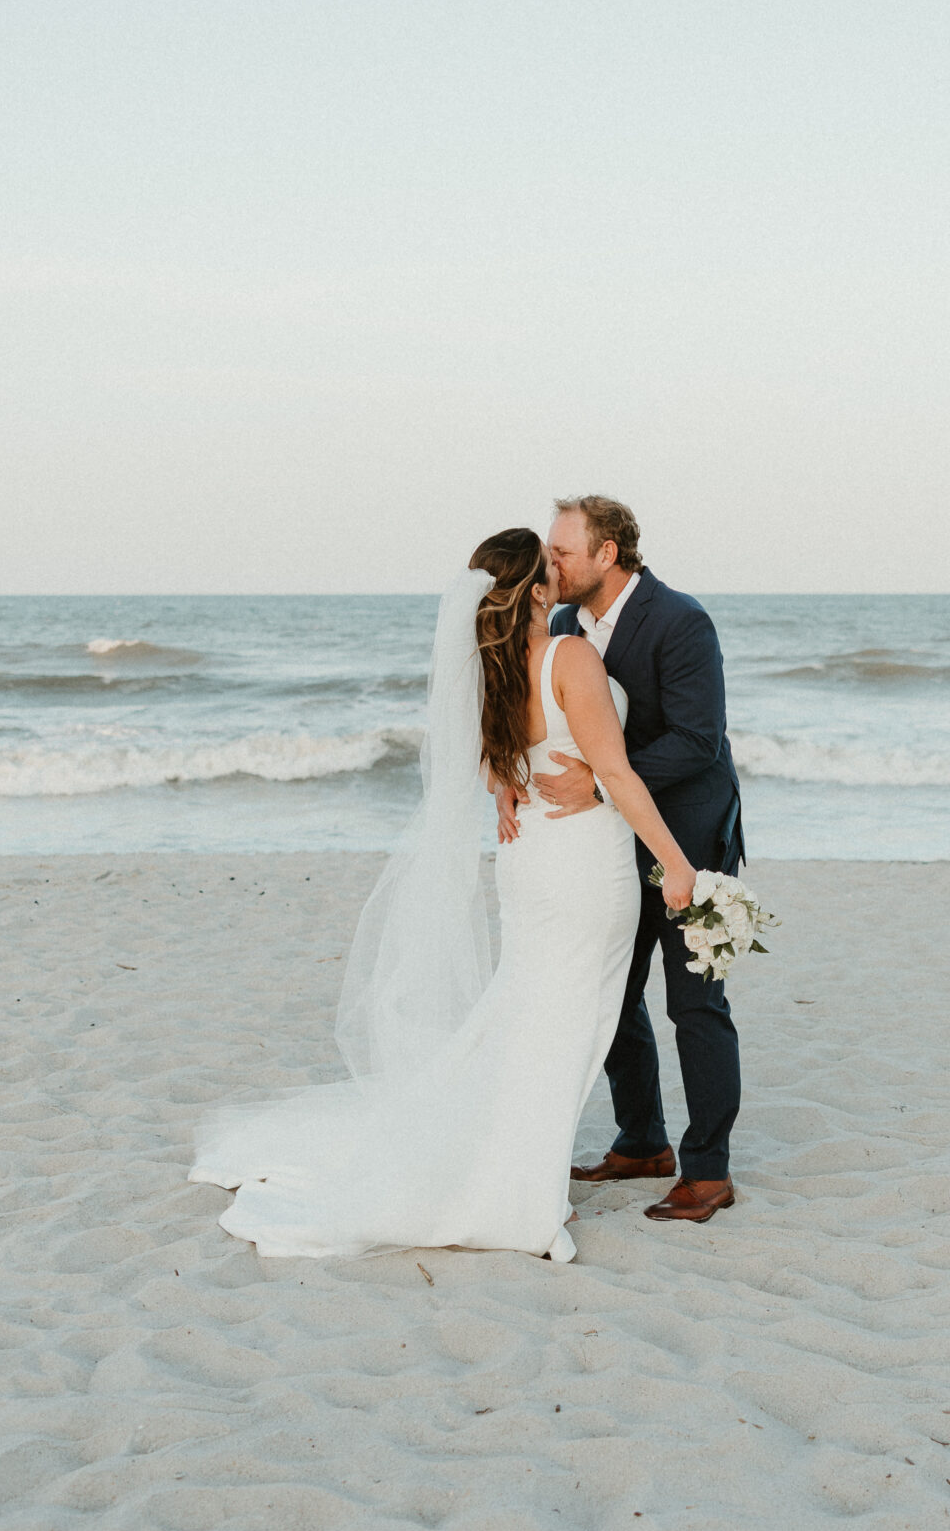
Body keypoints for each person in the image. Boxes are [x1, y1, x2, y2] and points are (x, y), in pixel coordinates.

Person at [189, 527, 697, 1261]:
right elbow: (615, 773)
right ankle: (514, 1183)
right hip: (582, 863)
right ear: (535, 589)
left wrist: (510, 785)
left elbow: (493, 767)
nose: (560, 566)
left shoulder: (495, 669)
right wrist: (676, 864)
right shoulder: (570, 656)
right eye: (550, 561)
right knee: (562, 1023)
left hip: (528, 861)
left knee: (531, 1012)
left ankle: (517, 1162)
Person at [500, 495, 746, 1223]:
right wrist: (510, 779)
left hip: (687, 836)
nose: (549, 564)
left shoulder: (680, 621)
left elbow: (699, 740)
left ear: (607, 554)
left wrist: (601, 781)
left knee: (694, 1003)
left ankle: (709, 1171)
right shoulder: (565, 627)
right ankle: (642, 1142)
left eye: (562, 552)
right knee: (612, 989)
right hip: (604, 847)